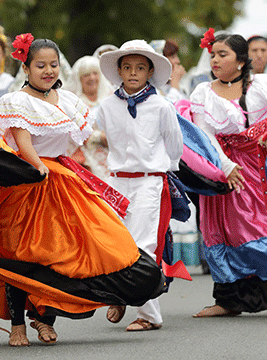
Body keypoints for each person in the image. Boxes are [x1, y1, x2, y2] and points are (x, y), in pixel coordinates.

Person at [0, 34, 167, 347]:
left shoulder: (65, 100)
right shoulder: (17, 101)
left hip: (60, 182)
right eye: (40, 65)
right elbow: (23, 141)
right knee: (21, 257)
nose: (48, 70)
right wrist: (38, 167)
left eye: (53, 64)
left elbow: (74, 142)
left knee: (93, 243)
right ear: (26, 67)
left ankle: (80, 305)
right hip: (24, 183)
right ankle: (17, 325)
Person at [97, 40, 183, 331]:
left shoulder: (161, 106)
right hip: (117, 182)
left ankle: (148, 314)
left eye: (140, 67)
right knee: (114, 242)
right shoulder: (107, 105)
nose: (133, 72)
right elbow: (91, 133)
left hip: (149, 182)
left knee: (143, 246)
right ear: (119, 70)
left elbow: (175, 147)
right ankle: (123, 293)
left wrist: (163, 173)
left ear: (149, 72)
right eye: (128, 67)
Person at [190, 29, 267, 317]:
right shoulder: (203, 92)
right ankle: (228, 299)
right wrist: (225, 166)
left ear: (240, 60)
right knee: (218, 230)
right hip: (219, 169)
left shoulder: (260, 86)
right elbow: (204, 134)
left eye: (222, 55)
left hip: (254, 168)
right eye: (212, 55)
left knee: (254, 228)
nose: (215, 60)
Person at [64, 55, 113, 177]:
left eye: (95, 73)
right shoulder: (73, 103)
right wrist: (100, 137)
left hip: (114, 156)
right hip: (86, 160)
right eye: (86, 75)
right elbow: (74, 133)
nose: (92, 78)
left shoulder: (111, 98)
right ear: (78, 79)